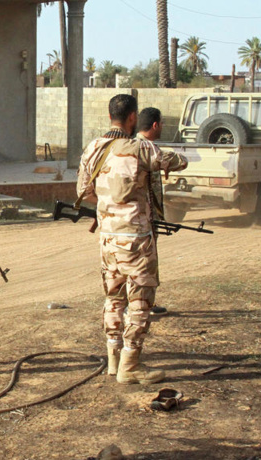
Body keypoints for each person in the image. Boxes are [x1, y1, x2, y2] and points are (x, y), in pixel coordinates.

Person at [77, 94, 187, 385]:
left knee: (113, 298)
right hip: (136, 239)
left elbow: (84, 191)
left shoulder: (93, 148)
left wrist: (108, 208)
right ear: (132, 118)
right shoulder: (141, 148)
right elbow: (178, 162)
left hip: (108, 238)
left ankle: (113, 359)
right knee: (139, 300)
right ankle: (131, 364)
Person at [136, 107, 184, 316]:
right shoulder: (146, 148)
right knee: (144, 262)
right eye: (162, 123)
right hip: (143, 216)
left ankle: (140, 302)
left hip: (140, 215)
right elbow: (178, 161)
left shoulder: (132, 146)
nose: (162, 126)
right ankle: (142, 304)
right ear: (155, 125)